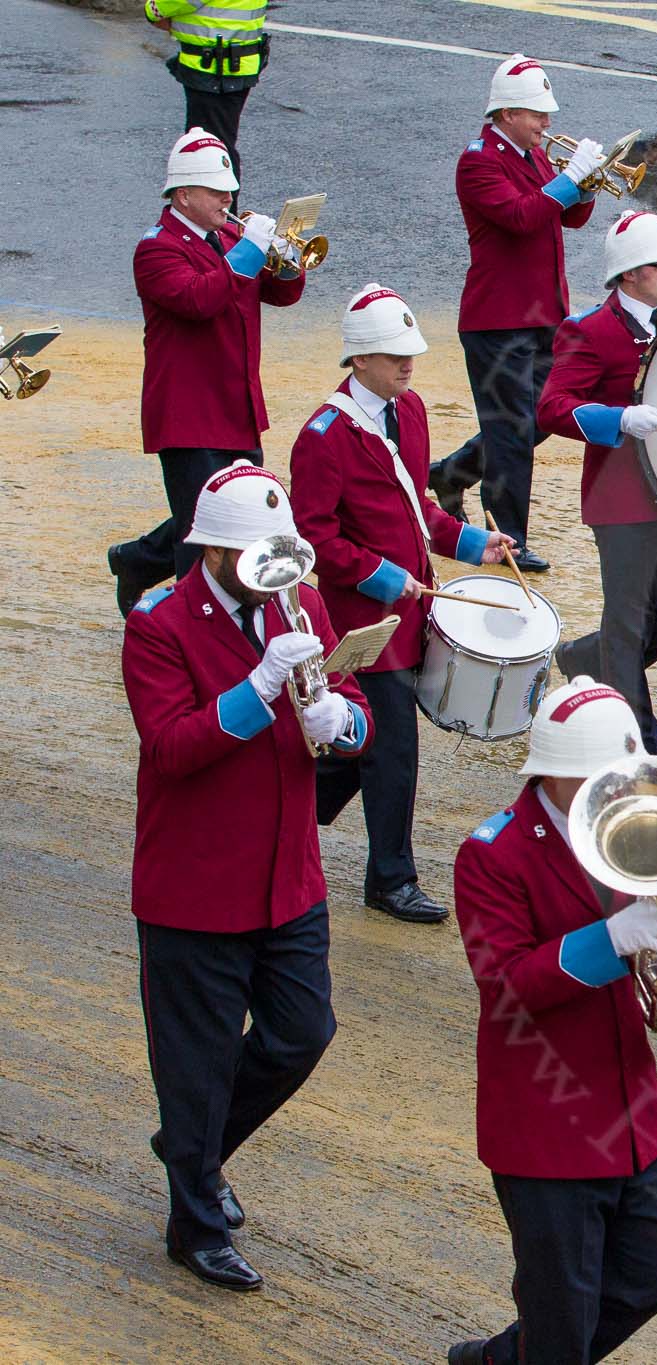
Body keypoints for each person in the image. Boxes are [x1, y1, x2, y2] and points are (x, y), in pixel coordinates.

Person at [122, 462, 370, 1291]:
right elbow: (173, 749)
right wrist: (258, 688)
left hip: (286, 875)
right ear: (216, 553)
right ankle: (192, 1221)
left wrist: (344, 719)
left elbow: (350, 694)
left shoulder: (298, 599)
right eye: (254, 555)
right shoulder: (158, 622)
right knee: (191, 1067)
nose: (272, 570)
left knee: (303, 1032)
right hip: (195, 887)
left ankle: (194, 1144)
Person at [448, 676, 657, 1365]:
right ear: (555, 774)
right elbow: (507, 985)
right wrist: (611, 939)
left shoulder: (630, 830)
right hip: (547, 1127)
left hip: (633, 1116)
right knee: (562, 1320)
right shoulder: (491, 854)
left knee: (648, 1278)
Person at [290, 284, 517, 925]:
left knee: (364, 750)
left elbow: (415, 506)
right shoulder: (322, 435)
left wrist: (474, 544)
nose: (408, 365)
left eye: (410, 354)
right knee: (393, 749)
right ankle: (390, 879)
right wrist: (381, 577)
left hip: (412, 613)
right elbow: (315, 538)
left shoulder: (410, 411)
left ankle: (278, 815)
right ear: (358, 361)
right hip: (360, 619)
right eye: (394, 356)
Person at [107, 127, 304, 615]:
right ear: (183, 194)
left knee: (236, 512)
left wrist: (289, 256)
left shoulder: (233, 237)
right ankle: (194, 625)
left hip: (235, 402)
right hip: (188, 411)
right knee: (203, 532)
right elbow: (200, 299)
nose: (227, 199)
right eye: (216, 191)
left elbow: (281, 294)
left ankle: (136, 561)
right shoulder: (156, 249)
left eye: (229, 190)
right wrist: (249, 252)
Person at [544, 211, 657, 754]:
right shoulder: (588, 330)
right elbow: (552, 407)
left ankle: (586, 659)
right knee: (629, 616)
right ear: (630, 274)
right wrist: (615, 418)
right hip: (623, 500)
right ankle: (636, 741)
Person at [429, 54, 602, 572]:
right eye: (536, 115)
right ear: (507, 114)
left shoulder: (531, 154)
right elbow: (521, 217)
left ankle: (454, 473)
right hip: (497, 320)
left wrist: (586, 184)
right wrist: (568, 178)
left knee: (543, 416)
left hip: (544, 312)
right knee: (510, 429)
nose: (546, 124)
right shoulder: (479, 160)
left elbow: (568, 217)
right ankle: (508, 538)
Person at [145, 0, 268, 196]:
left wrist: (152, 9)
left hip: (213, 67)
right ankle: (221, 219)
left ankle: (220, 220)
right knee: (221, 143)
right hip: (240, 61)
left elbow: (172, 4)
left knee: (211, 150)